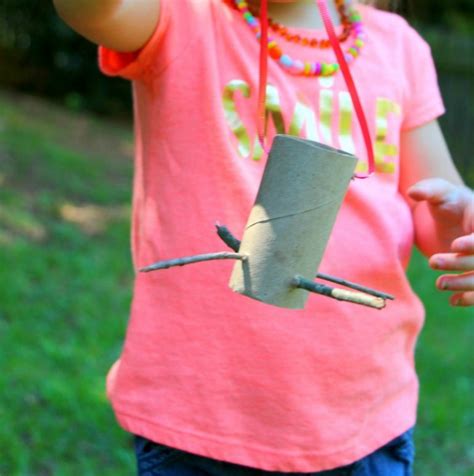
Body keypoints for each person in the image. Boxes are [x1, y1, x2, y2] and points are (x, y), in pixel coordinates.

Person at [52, 0, 474, 474]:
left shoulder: (398, 46)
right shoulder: (183, 17)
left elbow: (435, 205)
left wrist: (459, 227)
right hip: (201, 414)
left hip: (362, 417)